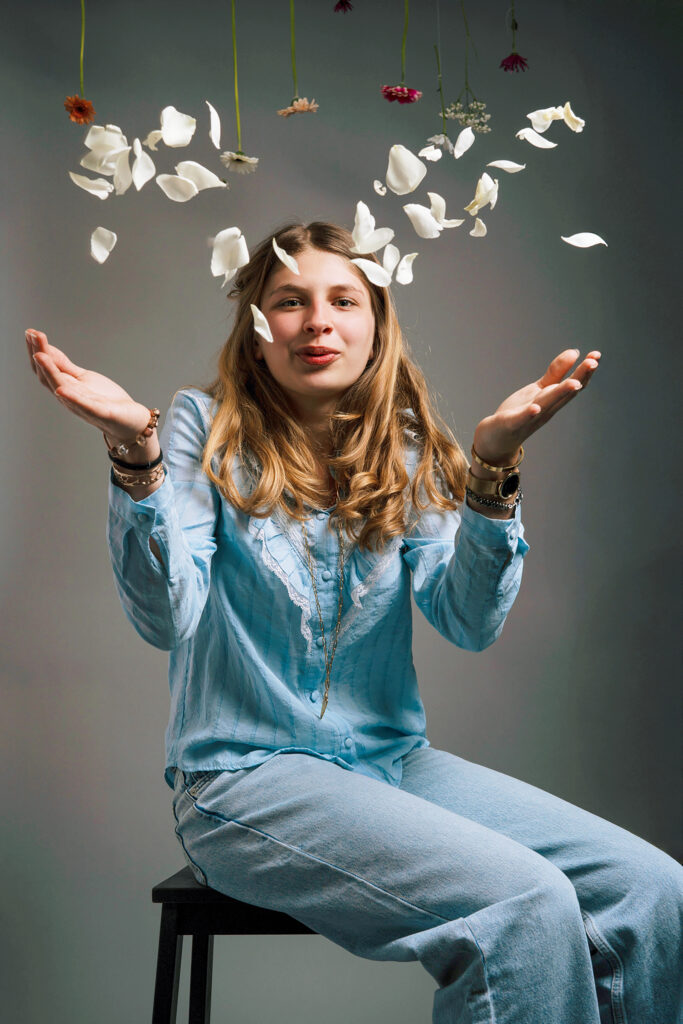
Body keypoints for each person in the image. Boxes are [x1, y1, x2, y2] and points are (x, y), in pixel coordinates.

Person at [27, 221, 682, 1024]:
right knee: (523, 902)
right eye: (289, 302)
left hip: (391, 764)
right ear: (257, 329)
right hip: (244, 781)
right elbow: (167, 616)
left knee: (652, 890)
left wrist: (493, 470)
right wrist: (136, 456)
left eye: (343, 299)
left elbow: (469, 621)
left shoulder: (406, 446)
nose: (318, 321)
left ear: (376, 322)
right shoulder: (197, 427)